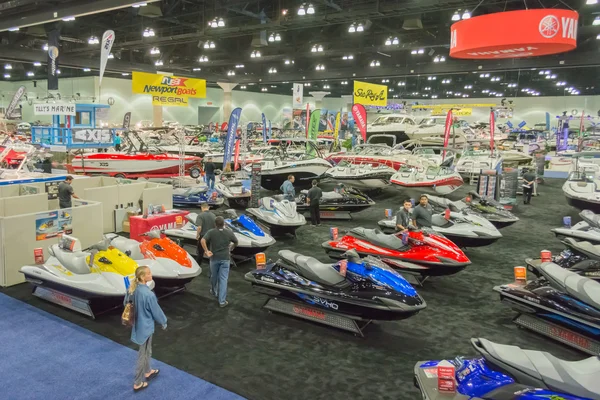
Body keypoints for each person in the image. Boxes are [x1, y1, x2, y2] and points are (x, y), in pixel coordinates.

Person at [126, 266, 167, 392]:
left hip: (138, 325)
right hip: (146, 327)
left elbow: (125, 304)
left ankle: (148, 371)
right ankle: (137, 382)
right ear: (143, 277)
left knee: (147, 350)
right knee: (142, 355)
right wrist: (164, 322)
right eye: (149, 273)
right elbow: (156, 312)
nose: (151, 274)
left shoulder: (132, 289)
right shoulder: (148, 294)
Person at [201, 216, 238, 307]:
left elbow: (202, 240)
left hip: (214, 258)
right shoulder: (229, 232)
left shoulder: (211, 232)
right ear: (224, 224)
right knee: (223, 279)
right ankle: (222, 301)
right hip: (225, 258)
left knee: (214, 276)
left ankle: (214, 291)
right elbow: (236, 241)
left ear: (215, 224)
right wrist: (231, 248)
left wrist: (206, 251)